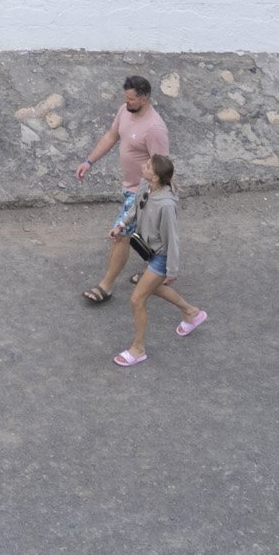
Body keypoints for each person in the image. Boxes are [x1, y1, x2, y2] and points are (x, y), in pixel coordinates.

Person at [79, 75, 171, 304]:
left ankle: (106, 286)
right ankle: (153, 272)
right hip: (128, 187)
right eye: (125, 98)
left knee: (120, 234)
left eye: (131, 99)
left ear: (144, 98)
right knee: (145, 233)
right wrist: (89, 162)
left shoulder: (154, 128)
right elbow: (112, 136)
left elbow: (162, 167)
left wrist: (150, 197)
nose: (126, 102)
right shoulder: (125, 111)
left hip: (142, 192)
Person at [114, 154, 206, 367]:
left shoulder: (166, 205)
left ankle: (138, 349)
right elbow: (135, 208)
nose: (143, 166)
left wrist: (171, 271)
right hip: (151, 252)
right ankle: (191, 312)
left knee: (137, 299)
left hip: (161, 258)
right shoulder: (145, 186)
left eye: (148, 166)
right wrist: (121, 225)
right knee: (153, 287)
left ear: (155, 177)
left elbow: (172, 239)